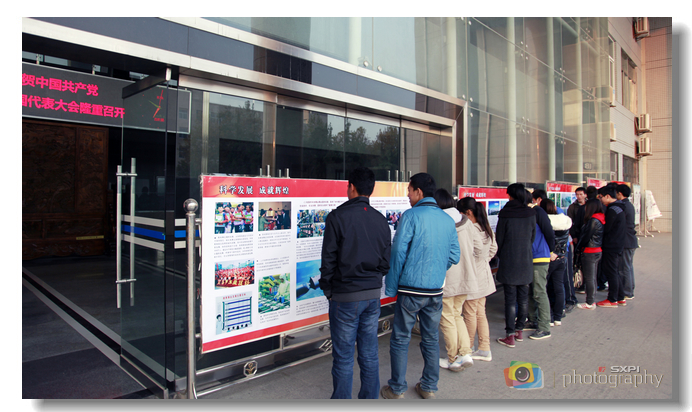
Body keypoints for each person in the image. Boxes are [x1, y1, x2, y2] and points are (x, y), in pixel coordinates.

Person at [381, 173, 460, 400]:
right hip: (435, 291)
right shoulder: (447, 219)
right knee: (431, 338)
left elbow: (398, 252)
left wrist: (391, 287)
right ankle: (428, 387)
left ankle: (397, 388)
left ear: (419, 191)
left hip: (410, 290)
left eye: (409, 190)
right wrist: (437, 268)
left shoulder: (410, 216)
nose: (407, 194)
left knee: (400, 338)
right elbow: (454, 255)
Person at [319, 167, 392, 399]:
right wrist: (374, 281)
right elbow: (386, 261)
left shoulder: (337, 217)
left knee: (343, 356)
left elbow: (328, 260)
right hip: (372, 296)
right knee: (369, 353)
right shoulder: (381, 220)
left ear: (351, 187)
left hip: (345, 297)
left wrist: (329, 290)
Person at [433, 189, 477, 373]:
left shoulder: (440, 222)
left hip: (449, 278)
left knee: (447, 318)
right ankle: (465, 353)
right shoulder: (466, 221)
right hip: (466, 277)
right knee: (457, 315)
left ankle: (453, 358)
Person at [495, 183, 535, 349]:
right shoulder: (530, 213)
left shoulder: (506, 213)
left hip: (509, 260)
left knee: (510, 300)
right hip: (525, 260)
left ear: (511, 195)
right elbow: (532, 237)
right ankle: (519, 331)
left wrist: (501, 254)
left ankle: (510, 335)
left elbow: (499, 238)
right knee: (523, 298)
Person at [458, 197, 497, 362]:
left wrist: (475, 262)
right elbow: (493, 248)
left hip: (473, 279)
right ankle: (484, 348)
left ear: (468, 212)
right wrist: (483, 261)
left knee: (469, 314)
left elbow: (467, 252)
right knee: (480, 313)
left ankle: (467, 349)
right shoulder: (485, 226)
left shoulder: (469, 229)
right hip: (484, 277)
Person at [525, 189, 555, 340]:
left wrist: (552, 250)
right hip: (529, 257)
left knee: (539, 291)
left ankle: (544, 327)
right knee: (531, 291)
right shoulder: (526, 213)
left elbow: (549, 232)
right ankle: (532, 320)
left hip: (539, 257)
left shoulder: (538, 211)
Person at [539, 199, 572, 326]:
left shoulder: (546, 221)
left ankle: (550, 317)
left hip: (549, 258)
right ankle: (558, 316)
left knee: (545, 288)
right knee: (559, 287)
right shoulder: (565, 220)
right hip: (562, 257)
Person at [596, 185, 627, 308]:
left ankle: (612, 299)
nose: (600, 199)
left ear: (608, 196)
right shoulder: (620, 207)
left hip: (611, 245)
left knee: (611, 272)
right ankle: (620, 297)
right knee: (614, 271)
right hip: (617, 244)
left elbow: (607, 228)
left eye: (601, 197)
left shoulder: (612, 210)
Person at [574, 198, 605, 309]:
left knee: (589, 278)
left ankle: (590, 302)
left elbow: (586, 237)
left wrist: (578, 248)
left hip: (589, 251)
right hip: (597, 250)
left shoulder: (593, 220)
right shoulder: (601, 218)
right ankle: (591, 299)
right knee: (592, 277)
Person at [616, 184, 638, 300]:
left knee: (625, 267)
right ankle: (629, 289)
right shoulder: (629, 205)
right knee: (628, 266)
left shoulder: (623, 206)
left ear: (620, 194)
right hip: (630, 240)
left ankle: (627, 291)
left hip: (626, 241)